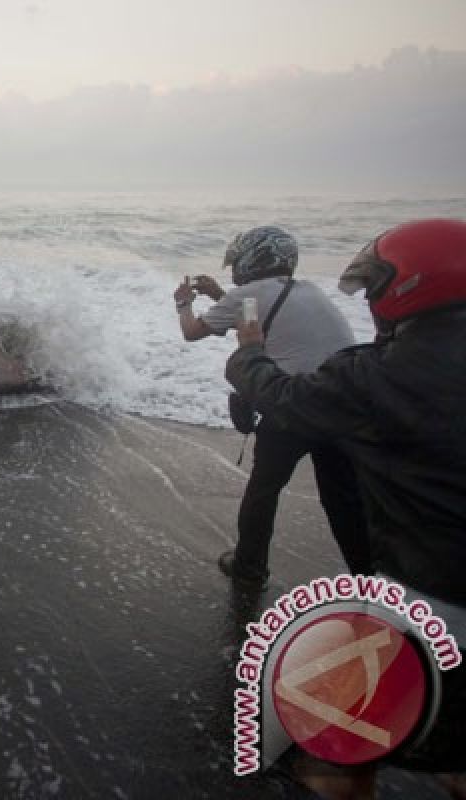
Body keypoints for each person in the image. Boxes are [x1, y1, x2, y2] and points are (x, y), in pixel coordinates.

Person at [225, 217, 466, 795]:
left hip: (436, 604)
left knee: (314, 738)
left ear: (403, 291)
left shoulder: (379, 375)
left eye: (377, 289)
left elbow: (285, 399)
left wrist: (248, 356)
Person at [173, 226, 371, 585]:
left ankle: (249, 567)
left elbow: (192, 331)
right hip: (340, 402)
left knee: (264, 489)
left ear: (253, 260)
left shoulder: (248, 295)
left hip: (292, 406)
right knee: (343, 500)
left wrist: (183, 301)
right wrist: (221, 295)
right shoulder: (310, 290)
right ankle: (368, 578)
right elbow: (257, 313)